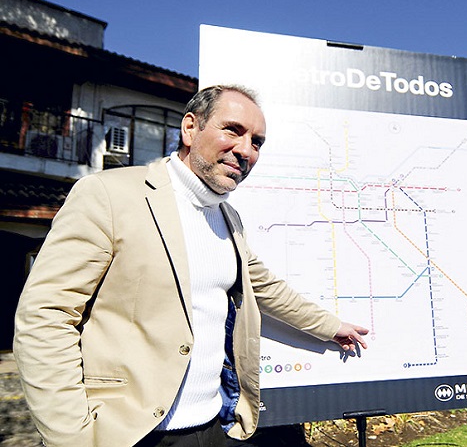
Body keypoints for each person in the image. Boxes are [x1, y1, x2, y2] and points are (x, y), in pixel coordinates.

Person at [13, 84, 369, 447]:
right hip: (131, 434)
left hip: (214, 427)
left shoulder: (229, 218)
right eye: (233, 130)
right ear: (189, 128)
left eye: (257, 142)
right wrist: (72, 438)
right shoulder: (108, 194)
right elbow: (45, 316)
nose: (245, 150)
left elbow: (265, 287)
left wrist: (331, 327)